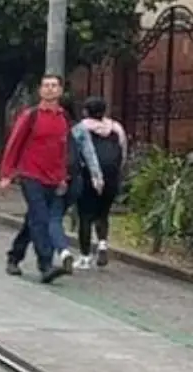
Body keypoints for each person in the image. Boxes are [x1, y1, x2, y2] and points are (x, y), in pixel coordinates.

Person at [0, 74, 91, 283]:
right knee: (41, 218)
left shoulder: (63, 119)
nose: (50, 89)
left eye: (54, 86)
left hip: (53, 178)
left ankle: (14, 256)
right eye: (46, 86)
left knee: (32, 219)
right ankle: (46, 265)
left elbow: (62, 151)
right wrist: (6, 175)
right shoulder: (30, 115)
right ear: (40, 90)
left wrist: (61, 178)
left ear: (60, 91)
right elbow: (14, 144)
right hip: (30, 175)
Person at [75, 96, 127, 269]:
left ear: (85, 111)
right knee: (103, 213)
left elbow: (74, 153)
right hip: (111, 177)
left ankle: (85, 256)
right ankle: (103, 243)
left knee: (85, 216)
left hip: (87, 177)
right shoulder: (116, 128)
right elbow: (123, 152)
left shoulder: (81, 128)